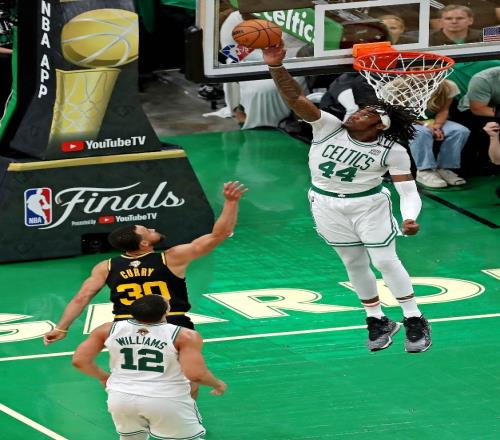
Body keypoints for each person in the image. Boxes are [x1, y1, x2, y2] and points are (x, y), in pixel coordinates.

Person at [262, 40, 431, 353]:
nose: (355, 113)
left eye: (364, 113)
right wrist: (276, 65)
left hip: (368, 205)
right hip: (325, 203)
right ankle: (376, 319)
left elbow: (408, 190)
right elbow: (295, 98)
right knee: (352, 262)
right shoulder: (328, 126)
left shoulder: (392, 150)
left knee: (384, 260)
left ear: (379, 126)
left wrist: (409, 217)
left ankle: (414, 318)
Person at [43, 181, 247, 344]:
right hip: (171, 323)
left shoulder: (106, 266)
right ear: (144, 243)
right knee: (185, 375)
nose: (152, 229)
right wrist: (231, 202)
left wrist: (61, 328)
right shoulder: (171, 257)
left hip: (126, 328)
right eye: (147, 231)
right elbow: (219, 234)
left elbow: (81, 298)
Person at [72, 294, 226, 440]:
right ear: (166, 311)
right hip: (165, 399)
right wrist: (217, 384)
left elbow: (80, 361)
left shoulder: (107, 329)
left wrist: (103, 377)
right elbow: (195, 374)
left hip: (121, 398)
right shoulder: (184, 335)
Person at [409, 79, 469, 188]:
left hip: (432, 121)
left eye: (427, 70)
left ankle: (444, 169)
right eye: (416, 70)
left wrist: (437, 126)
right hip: (407, 122)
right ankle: (424, 171)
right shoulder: (395, 87)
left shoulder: (448, 86)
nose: (422, 72)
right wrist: (426, 125)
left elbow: (444, 110)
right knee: (421, 132)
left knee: (460, 131)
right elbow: (400, 115)